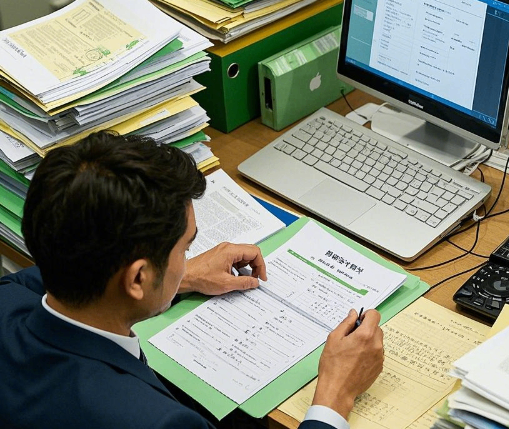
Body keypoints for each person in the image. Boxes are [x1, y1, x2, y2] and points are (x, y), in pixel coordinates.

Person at [0, 131, 384, 429]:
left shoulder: (8, 300)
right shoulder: (158, 421)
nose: (188, 262)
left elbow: (30, 281)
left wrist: (177, 279)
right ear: (137, 277)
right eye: (184, 250)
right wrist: (335, 397)